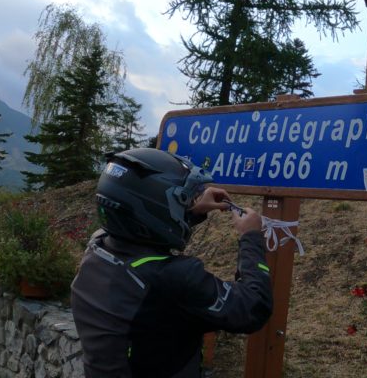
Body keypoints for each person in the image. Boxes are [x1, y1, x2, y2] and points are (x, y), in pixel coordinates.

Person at [71, 148, 272, 378]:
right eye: (179, 199)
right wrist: (251, 238)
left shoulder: (97, 249)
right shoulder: (173, 278)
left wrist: (191, 211)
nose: (183, 204)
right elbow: (253, 308)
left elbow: (145, 231)